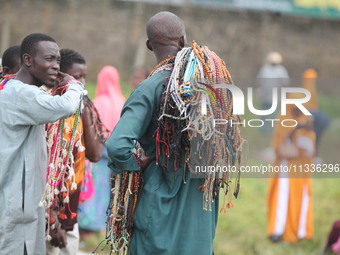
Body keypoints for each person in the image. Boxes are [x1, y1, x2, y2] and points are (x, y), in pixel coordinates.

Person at [106, 11, 241, 255]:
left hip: (158, 210)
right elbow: (229, 146)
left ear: (149, 45)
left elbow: (116, 146)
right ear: (182, 41)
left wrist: (140, 163)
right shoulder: (211, 90)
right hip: (201, 209)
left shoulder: (149, 87)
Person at [0, 33, 85, 255]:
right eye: (49, 59)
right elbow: (66, 106)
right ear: (28, 61)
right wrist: (74, 84)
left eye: (58, 60)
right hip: (14, 206)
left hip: (22, 204)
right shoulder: (21, 93)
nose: (56, 66)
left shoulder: (15, 89)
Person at [45, 49, 104, 255]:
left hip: (70, 203)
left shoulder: (81, 110)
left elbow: (95, 155)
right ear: (60, 77)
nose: (82, 84)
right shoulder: (50, 110)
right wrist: (52, 219)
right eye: (77, 78)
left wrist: (85, 112)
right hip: (48, 206)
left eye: (84, 77)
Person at [78, 66, 125, 239]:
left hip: (97, 154)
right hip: (114, 154)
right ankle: (101, 225)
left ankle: (88, 225)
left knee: (93, 188)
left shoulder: (98, 102)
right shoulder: (122, 101)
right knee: (106, 190)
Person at [267, 99, 315, 243]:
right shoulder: (285, 121)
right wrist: (299, 151)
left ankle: (301, 231)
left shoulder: (305, 125)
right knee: (283, 198)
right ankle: (279, 231)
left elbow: (309, 147)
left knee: (302, 198)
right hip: (287, 170)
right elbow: (281, 149)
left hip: (301, 172)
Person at [257, 51, 290, 133]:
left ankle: (271, 131)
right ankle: (263, 130)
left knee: (272, 115)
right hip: (264, 95)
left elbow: (285, 82)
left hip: (275, 96)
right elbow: (259, 80)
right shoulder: (265, 69)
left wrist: (279, 89)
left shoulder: (281, 70)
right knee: (263, 113)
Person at [300, 68, 330, 158]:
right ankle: (312, 154)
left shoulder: (308, 85)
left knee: (314, 134)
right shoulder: (308, 84)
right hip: (310, 113)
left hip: (313, 113)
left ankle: (313, 154)